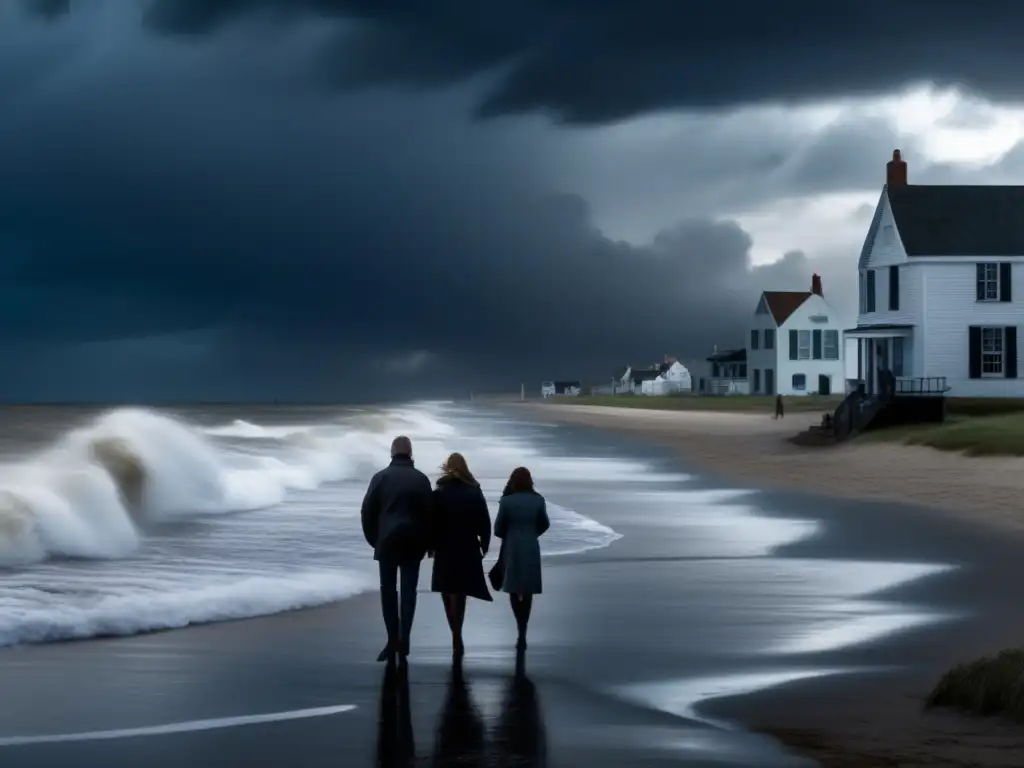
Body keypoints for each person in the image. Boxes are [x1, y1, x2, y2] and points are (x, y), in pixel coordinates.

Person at [361, 435, 434, 663]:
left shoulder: (380, 478)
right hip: (414, 542)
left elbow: (367, 512)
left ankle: (392, 639)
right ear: (410, 453)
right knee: (409, 592)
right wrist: (429, 543)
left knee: (388, 591)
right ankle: (405, 640)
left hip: (388, 542)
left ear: (392, 453)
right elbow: (430, 515)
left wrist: (375, 539)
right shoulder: (421, 480)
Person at [430, 453, 493, 658]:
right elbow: (484, 520)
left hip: (444, 546)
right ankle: (457, 633)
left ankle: (455, 634)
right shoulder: (474, 491)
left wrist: (430, 545)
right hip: (467, 546)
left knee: (446, 590)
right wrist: (485, 543)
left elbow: (431, 520)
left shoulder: (439, 491)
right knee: (460, 592)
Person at [493, 466, 550, 651]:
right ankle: (523, 629)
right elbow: (544, 524)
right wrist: (532, 534)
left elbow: (498, 529)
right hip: (531, 547)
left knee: (512, 586)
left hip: (512, 547)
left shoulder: (507, 501)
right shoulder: (538, 500)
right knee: (528, 589)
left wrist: (509, 534)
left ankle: (519, 623)